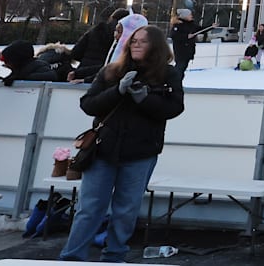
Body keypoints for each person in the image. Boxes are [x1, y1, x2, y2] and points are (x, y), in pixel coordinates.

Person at [59, 25, 184, 262]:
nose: (135, 44)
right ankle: (73, 257)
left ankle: (115, 256)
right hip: (103, 151)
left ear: (156, 47)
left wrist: (144, 98)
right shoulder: (110, 72)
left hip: (141, 152)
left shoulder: (169, 75)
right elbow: (88, 104)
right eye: (133, 40)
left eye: (143, 41)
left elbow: (174, 108)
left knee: (126, 209)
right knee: (90, 208)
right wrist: (117, 90)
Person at [69, 8, 125, 82]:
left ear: (111, 18)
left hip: (82, 71)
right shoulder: (122, 37)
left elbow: (76, 53)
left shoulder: (93, 32)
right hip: (104, 75)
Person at [168, 9, 208, 78]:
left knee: (182, 68)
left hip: (188, 51)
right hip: (181, 51)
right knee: (180, 67)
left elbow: (200, 29)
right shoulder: (178, 25)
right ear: (184, 16)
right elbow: (174, 36)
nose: (191, 16)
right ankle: (174, 81)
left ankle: (177, 82)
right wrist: (186, 36)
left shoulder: (191, 25)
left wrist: (211, 27)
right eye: (190, 15)